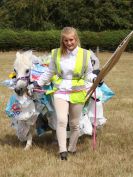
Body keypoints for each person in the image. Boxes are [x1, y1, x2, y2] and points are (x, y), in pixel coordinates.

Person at [36, 27, 99, 160]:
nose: (69, 43)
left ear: (76, 39)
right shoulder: (56, 53)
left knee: (75, 123)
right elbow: (50, 72)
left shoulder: (85, 54)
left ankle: (72, 147)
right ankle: (62, 151)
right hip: (61, 91)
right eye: (66, 40)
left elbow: (88, 73)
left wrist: (94, 79)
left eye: (71, 40)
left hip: (78, 91)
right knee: (62, 120)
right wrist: (38, 83)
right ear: (62, 41)